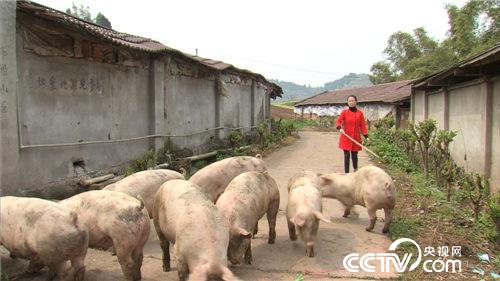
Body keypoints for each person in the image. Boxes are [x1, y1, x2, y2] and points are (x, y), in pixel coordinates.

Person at [335, 95, 369, 173]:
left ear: (356, 102)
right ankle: (346, 173)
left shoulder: (360, 113)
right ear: (347, 102)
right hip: (346, 137)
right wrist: (340, 128)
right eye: (349, 101)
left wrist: (366, 136)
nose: (351, 102)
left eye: (352, 100)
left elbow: (362, 126)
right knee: (347, 156)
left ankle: (355, 171)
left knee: (354, 156)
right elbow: (338, 121)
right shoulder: (344, 112)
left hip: (355, 138)